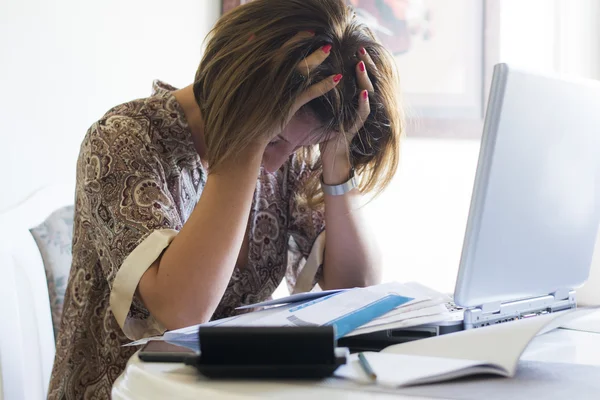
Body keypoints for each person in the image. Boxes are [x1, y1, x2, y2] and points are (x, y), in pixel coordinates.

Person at [48, 0, 402, 398]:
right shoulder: (124, 141)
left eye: (306, 144)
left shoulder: (289, 145)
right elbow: (181, 312)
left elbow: (356, 286)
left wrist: (334, 154)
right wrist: (248, 135)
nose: (276, 165)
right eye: (277, 140)